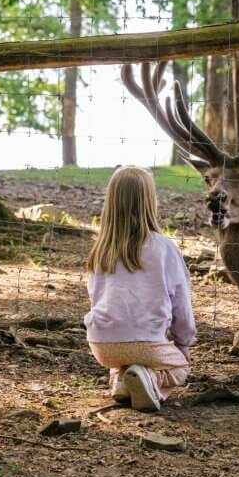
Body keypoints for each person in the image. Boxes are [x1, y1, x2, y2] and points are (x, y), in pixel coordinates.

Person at [84, 166, 196, 412]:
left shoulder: (100, 249)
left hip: (102, 344)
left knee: (124, 360)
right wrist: (184, 343)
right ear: (150, 202)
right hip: (147, 343)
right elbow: (181, 304)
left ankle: (121, 381)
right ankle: (152, 382)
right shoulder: (164, 248)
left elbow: (96, 297)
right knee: (179, 367)